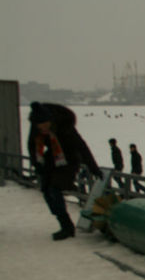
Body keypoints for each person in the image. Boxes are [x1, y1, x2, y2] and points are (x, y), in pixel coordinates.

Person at [27, 102, 102, 240]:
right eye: (39, 125)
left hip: (70, 158)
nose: (42, 128)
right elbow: (32, 145)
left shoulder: (65, 127)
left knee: (54, 189)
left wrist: (93, 168)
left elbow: (81, 146)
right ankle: (65, 224)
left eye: (45, 124)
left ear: (51, 120)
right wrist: (37, 164)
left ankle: (67, 229)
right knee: (46, 192)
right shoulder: (36, 126)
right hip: (52, 157)